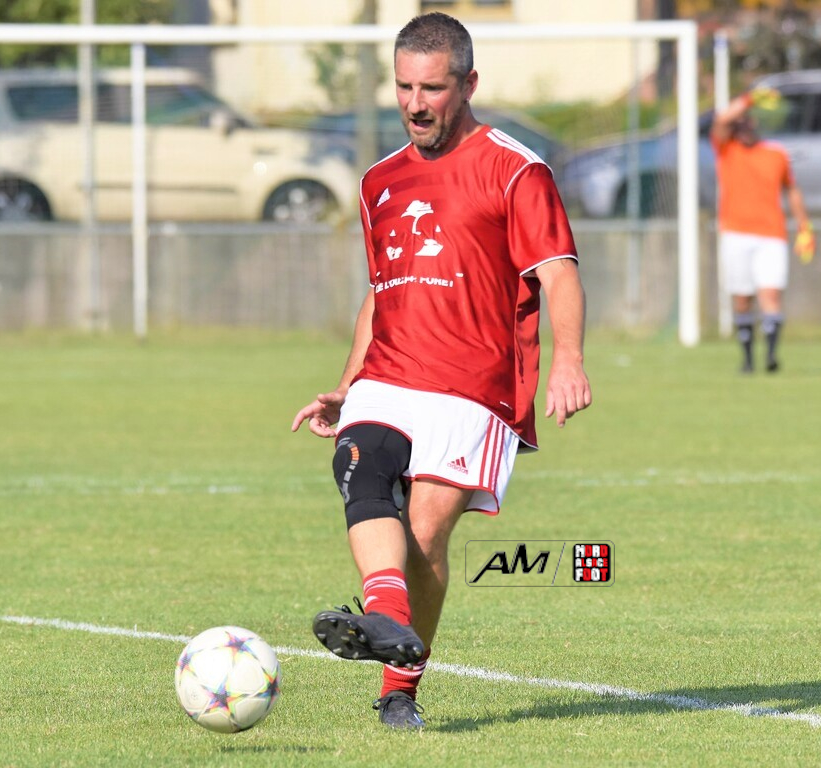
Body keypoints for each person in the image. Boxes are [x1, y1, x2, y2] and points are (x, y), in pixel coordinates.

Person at [290, 12, 592, 730]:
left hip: (475, 386)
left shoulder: (515, 169)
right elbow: (380, 292)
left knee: (425, 534)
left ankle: (399, 687)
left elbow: (559, 273)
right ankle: (385, 616)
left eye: (431, 88)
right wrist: (347, 385)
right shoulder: (379, 181)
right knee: (359, 466)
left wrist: (570, 361)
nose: (415, 103)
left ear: (468, 83)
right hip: (389, 374)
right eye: (404, 87)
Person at [711, 87, 813, 374]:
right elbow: (721, 120)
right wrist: (750, 98)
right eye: (738, 123)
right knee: (742, 299)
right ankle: (747, 360)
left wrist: (804, 226)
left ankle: (770, 355)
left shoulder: (775, 154)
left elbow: (792, 190)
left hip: (771, 235)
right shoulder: (726, 150)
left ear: (755, 123)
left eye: (747, 120)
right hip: (735, 234)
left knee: (771, 295)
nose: (742, 127)